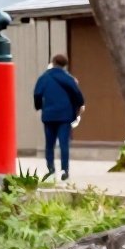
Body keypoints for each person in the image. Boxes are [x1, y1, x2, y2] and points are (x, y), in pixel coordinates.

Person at [34, 53, 85, 181]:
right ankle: (64, 170)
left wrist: (39, 106)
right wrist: (78, 107)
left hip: (49, 115)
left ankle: (50, 169)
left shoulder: (44, 78)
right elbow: (78, 95)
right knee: (64, 144)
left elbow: (37, 94)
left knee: (49, 144)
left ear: (53, 62)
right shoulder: (68, 79)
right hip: (65, 115)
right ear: (65, 65)